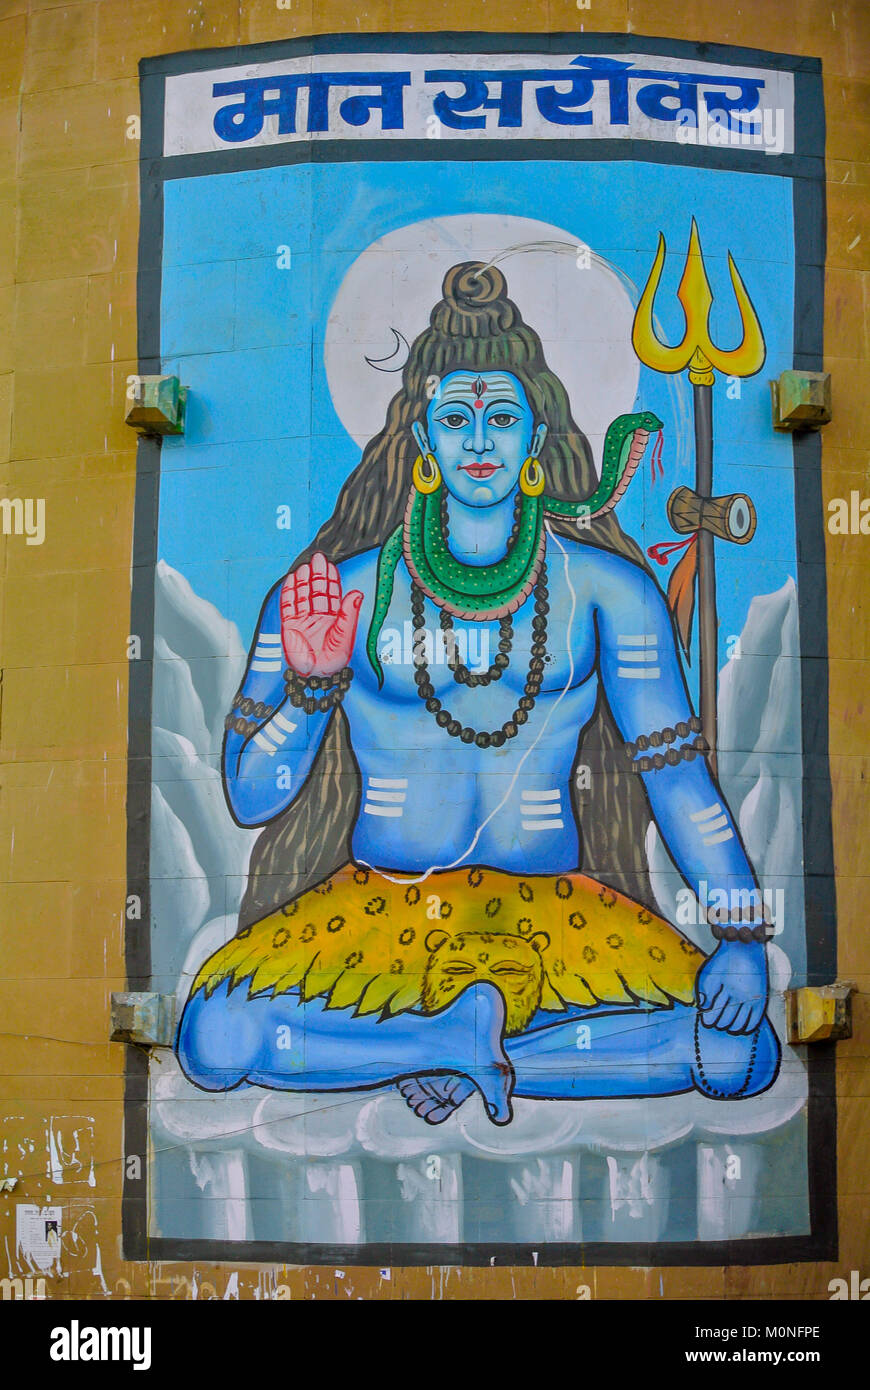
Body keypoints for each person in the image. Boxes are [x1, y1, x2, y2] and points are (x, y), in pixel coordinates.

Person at [177, 261, 780, 1125]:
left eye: (502, 417)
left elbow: (680, 781)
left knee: (741, 1056)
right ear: (422, 438)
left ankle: (450, 1050)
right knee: (213, 1039)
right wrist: (313, 691)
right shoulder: (335, 593)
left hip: (557, 914)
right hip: (378, 912)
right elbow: (248, 796)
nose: (480, 442)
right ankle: (452, 1043)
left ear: (538, 436)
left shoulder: (610, 591)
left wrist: (742, 937)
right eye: (455, 419)